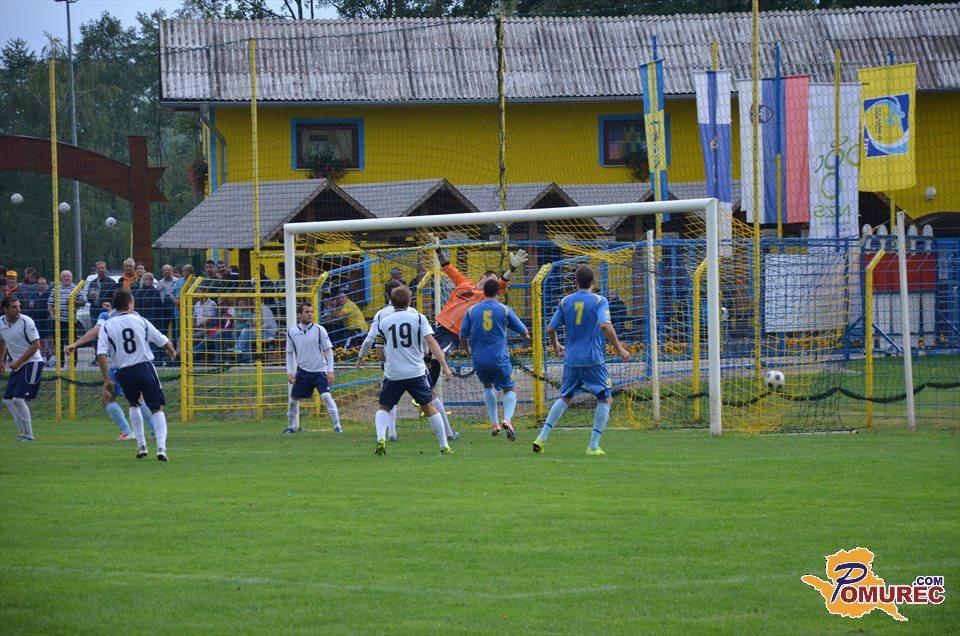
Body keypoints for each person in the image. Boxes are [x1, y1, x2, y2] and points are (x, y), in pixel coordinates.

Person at [420, 234, 528, 438]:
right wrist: (438, 249)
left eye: (494, 282)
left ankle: (424, 389)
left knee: (436, 357)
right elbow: (447, 266)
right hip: (439, 325)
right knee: (426, 358)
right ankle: (424, 388)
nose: (492, 283)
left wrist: (512, 269)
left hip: (452, 333)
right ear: (482, 278)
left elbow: (501, 284)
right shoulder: (463, 283)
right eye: (490, 279)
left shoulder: (485, 298)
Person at [533, 265, 631, 456]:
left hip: (571, 360)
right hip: (592, 359)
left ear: (575, 282)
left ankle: (541, 438)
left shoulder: (565, 301)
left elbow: (550, 328)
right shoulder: (599, 300)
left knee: (565, 397)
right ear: (593, 282)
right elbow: (605, 326)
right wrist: (620, 348)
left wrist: (556, 346)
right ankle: (593, 446)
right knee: (605, 399)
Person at [358, 285, 454, 456]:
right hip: (416, 372)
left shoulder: (384, 322)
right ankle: (444, 445)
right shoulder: (418, 318)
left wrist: (361, 357)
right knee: (429, 406)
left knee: (384, 407)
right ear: (410, 301)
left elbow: (376, 347)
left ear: (391, 302)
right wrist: (445, 366)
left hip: (393, 373)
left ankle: (381, 438)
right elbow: (431, 342)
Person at [97, 289, 177, 461]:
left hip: (124, 371)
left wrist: (107, 380)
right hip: (145, 367)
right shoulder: (140, 320)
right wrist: (172, 352)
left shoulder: (107, 325)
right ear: (130, 304)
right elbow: (163, 340)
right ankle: (161, 448)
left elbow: (101, 354)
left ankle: (141, 445)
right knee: (156, 408)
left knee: (134, 405)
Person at [64, 301, 155, 441]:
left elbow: (96, 331)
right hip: (130, 364)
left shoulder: (107, 317)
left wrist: (76, 344)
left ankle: (147, 431)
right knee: (110, 398)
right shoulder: (135, 316)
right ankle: (139, 431)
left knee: (132, 399)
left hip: (121, 366)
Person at [460, 277, 530, 440]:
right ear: (499, 292)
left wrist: (467, 349)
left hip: (480, 359)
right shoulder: (504, 310)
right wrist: (525, 337)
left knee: (487, 386)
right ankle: (507, 419)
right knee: (508, 389)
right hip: (499, 358)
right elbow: (524, 331)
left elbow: (462, 336)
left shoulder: (471, 310)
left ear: (483, 292)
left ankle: (495, 423)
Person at [356, 278, 404, 441]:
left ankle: (392, 433)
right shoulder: (413, 312)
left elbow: (369, 340)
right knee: (431, 397)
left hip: (392, 362)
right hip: (413, 363)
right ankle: (447, 434)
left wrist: (361, 356)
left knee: (389, 398)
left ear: (387, 295)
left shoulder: (382, 314)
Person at [284, 302, 342, 434]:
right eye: (307, 312)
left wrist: (330, 371)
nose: (310, 314)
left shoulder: (319, 330)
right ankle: (291, 427)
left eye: (311, 312)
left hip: (319, 371)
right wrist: (290, 372)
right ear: (299, 314)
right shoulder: (292, 332)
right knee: (293, 400)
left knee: (326, 396)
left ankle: (337, 426)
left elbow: (328, 351)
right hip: (303, 372)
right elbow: (289, 353)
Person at [0, 296, 43, 441]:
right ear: (5, 309)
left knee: (18, 400)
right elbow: (2, 341)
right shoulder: (1, 323)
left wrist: (18, 362)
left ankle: (29, 436)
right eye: (14, 307)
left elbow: (36, 345)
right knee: (7, 400)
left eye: (19, 306)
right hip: (18, 364)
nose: (18, 309)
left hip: (32, 362)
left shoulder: (26, 321)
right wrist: (1, 361)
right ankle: (23, 434)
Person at [47, 270, 84, 366]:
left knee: (72, 342)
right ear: (60, 278)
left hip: (71, 321)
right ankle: (60, 364)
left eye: (68, 276)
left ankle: (73, 364)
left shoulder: (75, 288)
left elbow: (83, 302)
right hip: (58, 321)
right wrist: (53, 316)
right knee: (58, 343)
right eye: (64, 276)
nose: (66, 278)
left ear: (71, 278)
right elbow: (50, 304)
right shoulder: (56, 289)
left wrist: (73, 302)